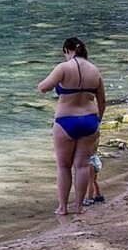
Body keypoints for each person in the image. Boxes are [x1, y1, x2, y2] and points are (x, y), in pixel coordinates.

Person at [37, 37, 106, 216]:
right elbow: (102, 101)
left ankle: (63, 208)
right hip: (90, 121)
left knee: (63, 166)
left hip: (66, 121)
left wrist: (46, 84)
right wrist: (98, 122)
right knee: (82, 166)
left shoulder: (63, 67)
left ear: (67, 50)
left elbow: (44, 88)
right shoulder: (95, 70)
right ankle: (79, 207)